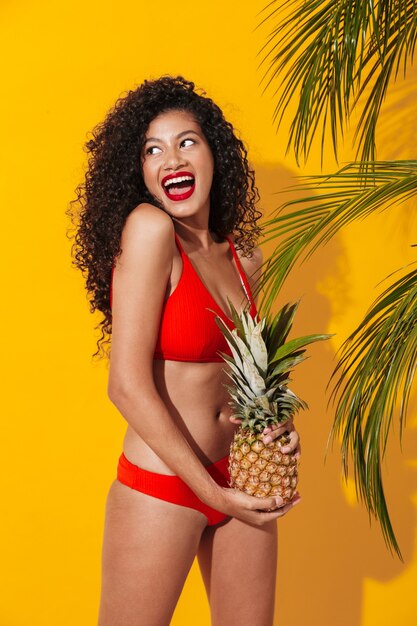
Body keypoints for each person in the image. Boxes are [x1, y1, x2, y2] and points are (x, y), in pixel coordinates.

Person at [71, 76, 301, 626]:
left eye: (186, 141)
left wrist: (282, 427)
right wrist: (211, 493)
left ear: (213, 154)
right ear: (141, 174)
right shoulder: (150, 230)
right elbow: (125, 383)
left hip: (243, 476)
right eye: (152, 149)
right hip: (167, 486)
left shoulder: (245, 260)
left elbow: (244, 375)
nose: (170, 157)